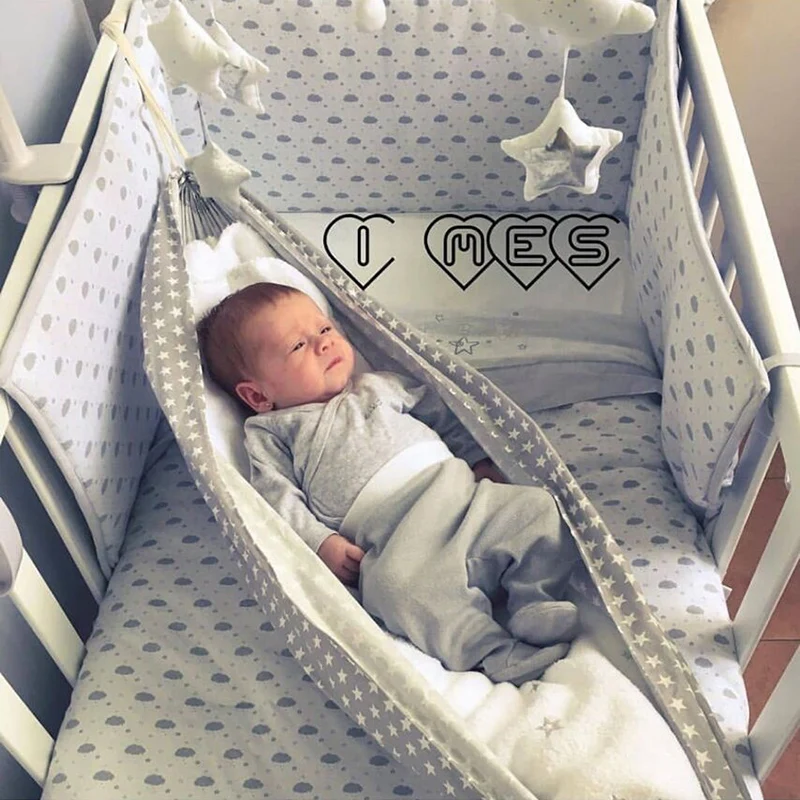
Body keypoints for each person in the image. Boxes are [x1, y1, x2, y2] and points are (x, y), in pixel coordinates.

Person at [197, 281, 582, 686]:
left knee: (538, 509)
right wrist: (320, 542)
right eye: (298, 345)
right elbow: (276, 497)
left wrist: (477, 459)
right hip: (401, 541)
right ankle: (493, 652)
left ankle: (533, 599)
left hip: (464, 499)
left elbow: (444, 416)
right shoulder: (274, 432)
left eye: (324, 329)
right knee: (394, 592)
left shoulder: (378, 385)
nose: (324, 343)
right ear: (258, 396)